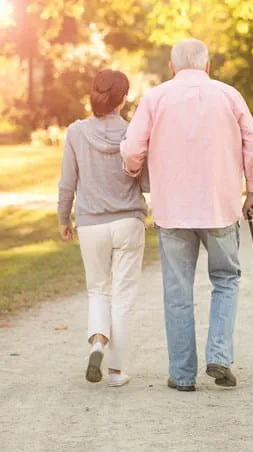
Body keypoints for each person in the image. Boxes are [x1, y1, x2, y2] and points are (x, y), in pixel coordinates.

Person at [121, 38, 253, 391]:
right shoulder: (229, 95)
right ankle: (218, 354)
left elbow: (132, 148)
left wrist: (134, 169)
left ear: (172, 68)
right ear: (208, 66)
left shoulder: (155, 98)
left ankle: (183, 375)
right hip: (221, 206)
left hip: (174, 211)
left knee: (177, 291)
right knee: (226, 280)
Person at [58, 70, 149, 387]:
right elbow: (146, 181)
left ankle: (98, 341)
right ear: (123, 99)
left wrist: (62, 218)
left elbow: (68, 182)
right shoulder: (133, 133)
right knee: (122, 298)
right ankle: (116, 371)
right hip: (128, 222)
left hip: (91, 223)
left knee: (98, 289)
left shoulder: (76, 132)